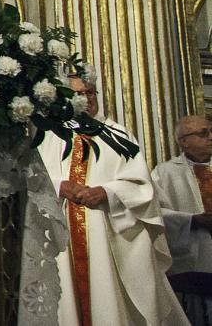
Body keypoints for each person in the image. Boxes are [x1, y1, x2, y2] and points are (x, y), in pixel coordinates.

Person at [38, 72, 188, 325]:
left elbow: (142, 186)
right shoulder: (49, 137)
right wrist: (59, 186)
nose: (86, 99)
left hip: (106, 232)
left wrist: (107, 192)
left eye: (90, 93)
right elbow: (32, 183)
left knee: (106, 298)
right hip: (59, 235)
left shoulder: (118, 135)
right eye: (78, 94)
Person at [154, 113, 212, 324]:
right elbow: (155, 213)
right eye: (204, 133)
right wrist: (192, 220)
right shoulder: (165, 173)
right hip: (191, 261)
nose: (211, 136)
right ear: (184, 141)